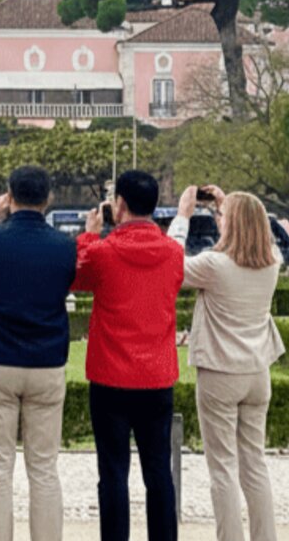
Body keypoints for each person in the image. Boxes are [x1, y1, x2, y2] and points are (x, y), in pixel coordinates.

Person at [0, 165, 79, 541]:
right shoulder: (64, 246)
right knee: (43, 469)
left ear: (9, 195)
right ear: (49, 198)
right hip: (45, 362)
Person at [169, 185, 285, 541]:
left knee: (222, 470)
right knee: (255, 465)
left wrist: (183, 217)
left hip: (220, 372)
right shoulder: (273, 262)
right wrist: (226, 204)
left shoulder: (215, 266)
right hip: (257, 371)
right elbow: (256, 234)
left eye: (222, 218)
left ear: (230, 225)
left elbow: (170, 265)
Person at [75, 170, 184, 541]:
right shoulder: (173, 253)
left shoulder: (104, 252)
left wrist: (89, 234)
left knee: (113, 474)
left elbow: (76, 277)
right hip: (156, 376)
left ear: (118, 205)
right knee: (159, 472)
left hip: (111, 376)